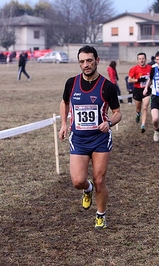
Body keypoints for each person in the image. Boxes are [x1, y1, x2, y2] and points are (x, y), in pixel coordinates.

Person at [58, 45, 122, 229]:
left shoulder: (107, 86)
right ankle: (88, 189)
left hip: (100, 139)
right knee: (78, 181)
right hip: (78, 139)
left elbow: (118, 112)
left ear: (97, 61)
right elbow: (64, 102)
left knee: (100, 179)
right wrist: (64, 123)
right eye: (82, 61)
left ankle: (100, 215)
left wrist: (109, 123)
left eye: (89, 61)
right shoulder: (71, 83)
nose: (86, 65)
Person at [128, 52, 152, 133]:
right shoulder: (134, 69)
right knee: (138, 109)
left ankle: (143, 125)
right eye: (140, 59)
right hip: (137, 90)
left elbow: (152, 78)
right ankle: (138, 114)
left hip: (147, 90)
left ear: (145, 59)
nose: (141, 60)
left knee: (145, 108)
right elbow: (129, 79)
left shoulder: (150, 68)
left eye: (143, 58)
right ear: (138, 60)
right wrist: (138, 80)